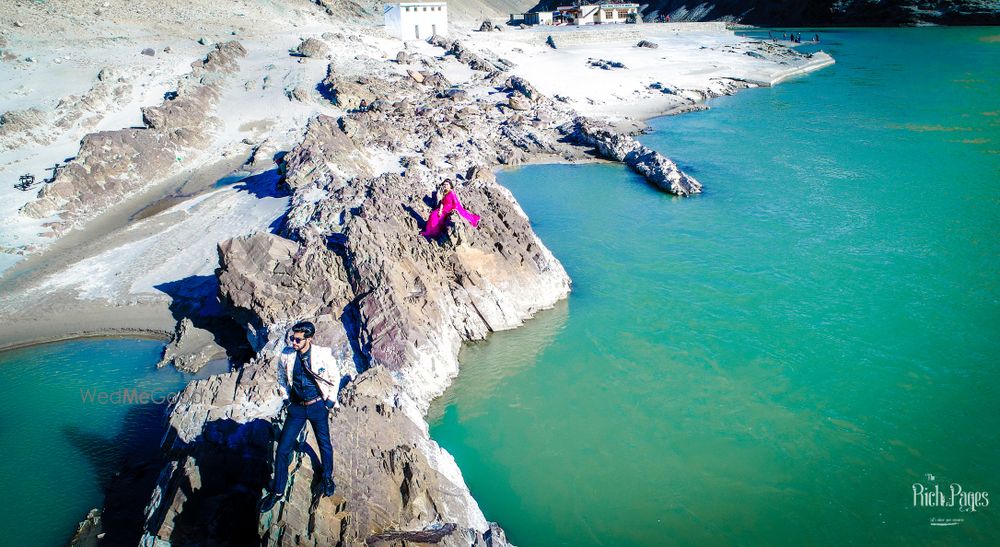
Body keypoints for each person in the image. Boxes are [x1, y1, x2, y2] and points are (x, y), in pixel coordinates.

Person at [258, 321, 352, 513]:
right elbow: (282, 377)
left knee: (324, 443)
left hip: (318, 405)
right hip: (297, 408)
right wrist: (286, 398)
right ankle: (277, 492)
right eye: (292, 338)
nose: (293, 341)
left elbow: (334, 377)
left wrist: (329, 402)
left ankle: (327, 477)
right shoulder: (286, 354)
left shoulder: (322, 355)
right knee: (283, 449)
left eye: (298, 339)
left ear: (309, 339)